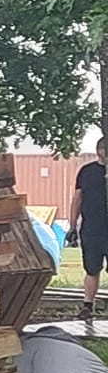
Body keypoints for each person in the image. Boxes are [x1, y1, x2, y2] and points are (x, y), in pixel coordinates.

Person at [70, 138, 108, 332]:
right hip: (92, 229)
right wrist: (72, 226)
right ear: (99, 151)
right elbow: (77, 199)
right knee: (92, 268)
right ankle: (88, 305)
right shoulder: (87, 171)